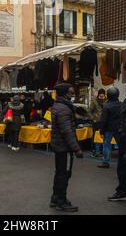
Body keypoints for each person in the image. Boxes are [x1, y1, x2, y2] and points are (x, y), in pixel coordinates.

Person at [50, 83, 83, 212]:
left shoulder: (58, 106)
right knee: (64, 174)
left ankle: (55, 198)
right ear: (64, 93)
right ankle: (61, 201)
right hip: (64, 148)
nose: (72, 95)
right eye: (70, 93)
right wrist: (77, 149)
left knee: (59, 173)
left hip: (59, 146)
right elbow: (67, 131)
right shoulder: (64, 108)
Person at [98, 86, 121, 168]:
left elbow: (103, 120)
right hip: (119, 128)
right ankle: (123, 162)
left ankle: (105, 162)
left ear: (108, 95)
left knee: (106, 145)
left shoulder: (106, 106)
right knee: (121, 146)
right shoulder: (121, 104)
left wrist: (101, 131)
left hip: (108, 129)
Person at [89, 88, 106, 156]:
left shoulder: (106, 101)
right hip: (96, 122)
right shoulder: (94, 101)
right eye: (100, 96)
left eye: (103, 96)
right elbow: (89, 111)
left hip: (103, 122)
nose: (101, 98)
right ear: (98, 95)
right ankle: (94, 150)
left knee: (102, 136)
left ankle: (101, 150)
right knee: (95, 136)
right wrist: (93, 118)